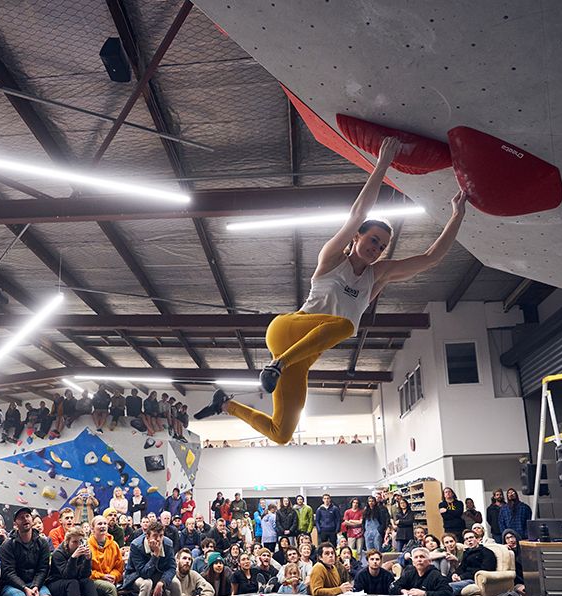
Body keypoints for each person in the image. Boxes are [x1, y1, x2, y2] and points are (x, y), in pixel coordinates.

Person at [195, 136, 467, 442]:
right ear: (356, 238)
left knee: (282, 434)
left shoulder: (378, 276)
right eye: (373, 240)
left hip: (302, 356)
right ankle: (276, 364)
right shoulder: (332, 258)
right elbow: (357, 215)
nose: (377, 249)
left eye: (382, 246)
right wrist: (383, 165)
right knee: (346, 325)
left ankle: (225, 404)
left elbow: (430, 258)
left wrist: (457, 216)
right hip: (287, 331)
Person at [0, 507, 54, 596]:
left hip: (35, 583)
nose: (25, 519)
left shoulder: (43, 543)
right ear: (15, 524)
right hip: (12, 585)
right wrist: (25, 588)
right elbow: (9, 573)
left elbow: (43, 569)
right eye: (21, 518)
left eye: (27, 516)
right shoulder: (7, 545)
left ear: (32, 520)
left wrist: (35, 586)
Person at [48, 525, 100, 596]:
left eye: (80, 541)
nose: (78, 545)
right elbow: (67, 575)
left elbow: (85, 575)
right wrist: (73, 558)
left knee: (88, 581)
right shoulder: (58, 554)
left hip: (73, 582)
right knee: (72, 583)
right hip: (56, 583)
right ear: (67, 542)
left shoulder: (82, 551)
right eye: (74, 542)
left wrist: (88, 560)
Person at [127, 521, 178, 596]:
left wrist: (162, 581)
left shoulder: (168, 544)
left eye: (161, 536)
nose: (158, 539)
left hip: (159, 574)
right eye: (155, 536)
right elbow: (144, 573)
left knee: (175, 583)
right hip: (136, 575)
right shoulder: (136, 545)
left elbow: (172, 567)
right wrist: (156, 555)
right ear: (147, 536)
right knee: (147, 583)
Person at [389, 547, 455, 596]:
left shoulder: (435, 575)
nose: (419, 560)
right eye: (416, 557)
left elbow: (448, 593)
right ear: (413, 562)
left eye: (422, 557)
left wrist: (424, 594)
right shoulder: (409, 573)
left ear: (429, 561)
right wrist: (402, 591)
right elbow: (393, 586)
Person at [87, 515, 123, 596]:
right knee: (110, 588)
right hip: (93, 579)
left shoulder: (114, 545)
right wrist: (102, 576)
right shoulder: (87, 545)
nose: (103, 526)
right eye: (99, 524)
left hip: (110, 579)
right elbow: (86, 571)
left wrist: (113, 576)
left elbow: (119, 567)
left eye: (105, 524)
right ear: (92, 529)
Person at [449, 528, 498, 595]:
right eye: (466, 539)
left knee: (449, 587)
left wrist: (462, 577)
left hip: (475, 579)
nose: (469, 540)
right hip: (463, 578)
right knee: (442, 582)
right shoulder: (467, 553)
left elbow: (485, 570)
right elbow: (462, 567)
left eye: (471, 537)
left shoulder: (487, 552)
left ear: (478, 539)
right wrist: (455, 574)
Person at [362, 495, 390, 562]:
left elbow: (383, 522)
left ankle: (379, 562)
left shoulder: (379, 510)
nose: (371, 503)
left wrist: (379, 531)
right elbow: (363, 522)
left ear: (375, 502)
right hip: (368, 532)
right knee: (369, 550)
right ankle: (370, 563)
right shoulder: (365, 511)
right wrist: (365, 531)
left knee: (377, 549)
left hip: (376, 531)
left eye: (372, 501)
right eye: (369, 501)